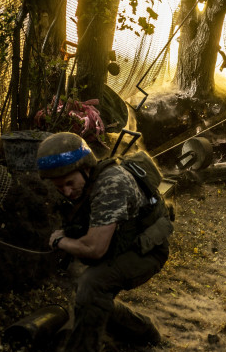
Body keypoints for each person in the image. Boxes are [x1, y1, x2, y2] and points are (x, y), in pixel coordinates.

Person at [36, 132, 171, 351]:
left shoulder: (111, 184)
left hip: (148, 250)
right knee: (89, 291)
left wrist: (60, 241)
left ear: (85, 168)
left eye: (70, 183)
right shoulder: (88, 183)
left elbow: (94, 249)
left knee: (92, 284)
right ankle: (143, 330)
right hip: (123, 242)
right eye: (60, 187)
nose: (66, 192)